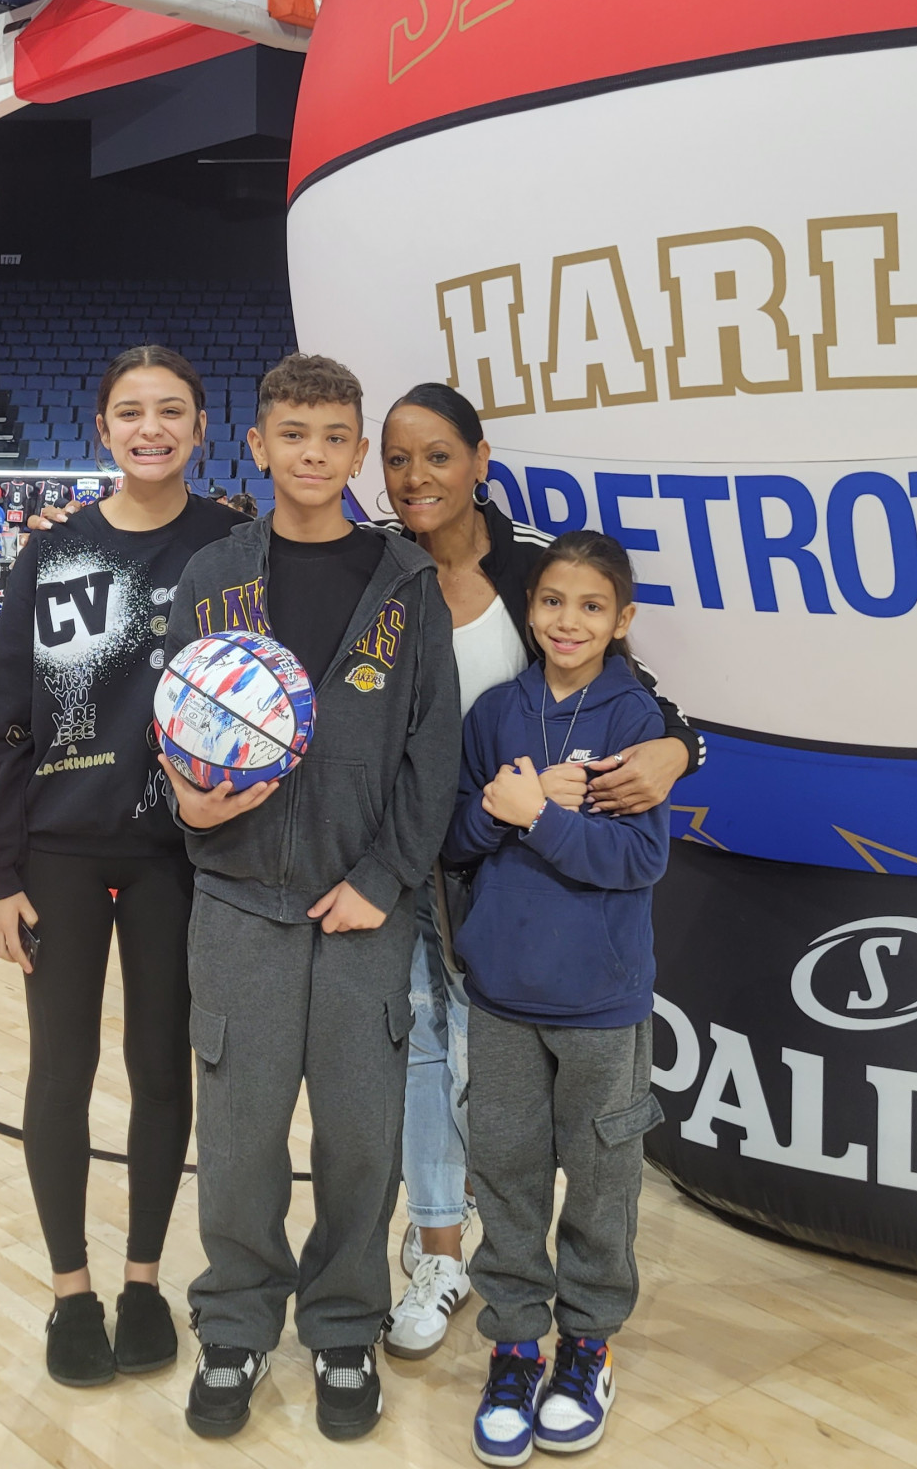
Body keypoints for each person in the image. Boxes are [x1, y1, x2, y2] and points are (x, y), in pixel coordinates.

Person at [158, 353, 461, 1446]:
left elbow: (433, 750)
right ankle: (236, 1322)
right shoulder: (213, 575)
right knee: (239, 1136)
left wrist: (382, 880)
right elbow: (178, 722)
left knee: (360, 1139)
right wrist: (187, 801)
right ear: (258, 444)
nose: (314, 455)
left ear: (358, 448)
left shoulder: (406, 582)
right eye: (294, 434)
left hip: (362, 911)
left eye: (335, 437)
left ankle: (342, 1323)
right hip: (239, 901)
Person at [378, 385, 701, 1361]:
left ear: (481, 461)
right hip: (416, 849)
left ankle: (576, 1319)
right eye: (397, 458)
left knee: (531, 1107)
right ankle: (443, 1250)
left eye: (439, 454)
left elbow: (644, 706)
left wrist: (678, 749)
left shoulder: (531, 567)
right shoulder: (379, 566)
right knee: (430, 1054)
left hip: (519, 889)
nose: (417, 477)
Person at [0, 347, 236, 1388]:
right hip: (60, 857)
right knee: (61, 1070)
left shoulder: (232, 547)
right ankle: (72, 1290)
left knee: (163, 1069)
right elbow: (1, 721)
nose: (150, 427)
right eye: (131, 411)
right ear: (102, 429)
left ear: (202, 426)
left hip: (179, 858)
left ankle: (143, 1279)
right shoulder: (54, 551)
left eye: (171, 410)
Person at [447, 531, 669, 1464]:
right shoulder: (497, 711)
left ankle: (586, 1345)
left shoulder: (636, 718)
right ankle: (513, 1346)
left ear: (621, 620)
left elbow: (638, 858)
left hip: (599, 1002)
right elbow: (454, 839)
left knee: (602, 1182)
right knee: (504, 1172)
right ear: (528, 608)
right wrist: (498, 810)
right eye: (550, 601)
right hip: (501, 992)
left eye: (589, 606)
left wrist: (536, 817)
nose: (566, 621)